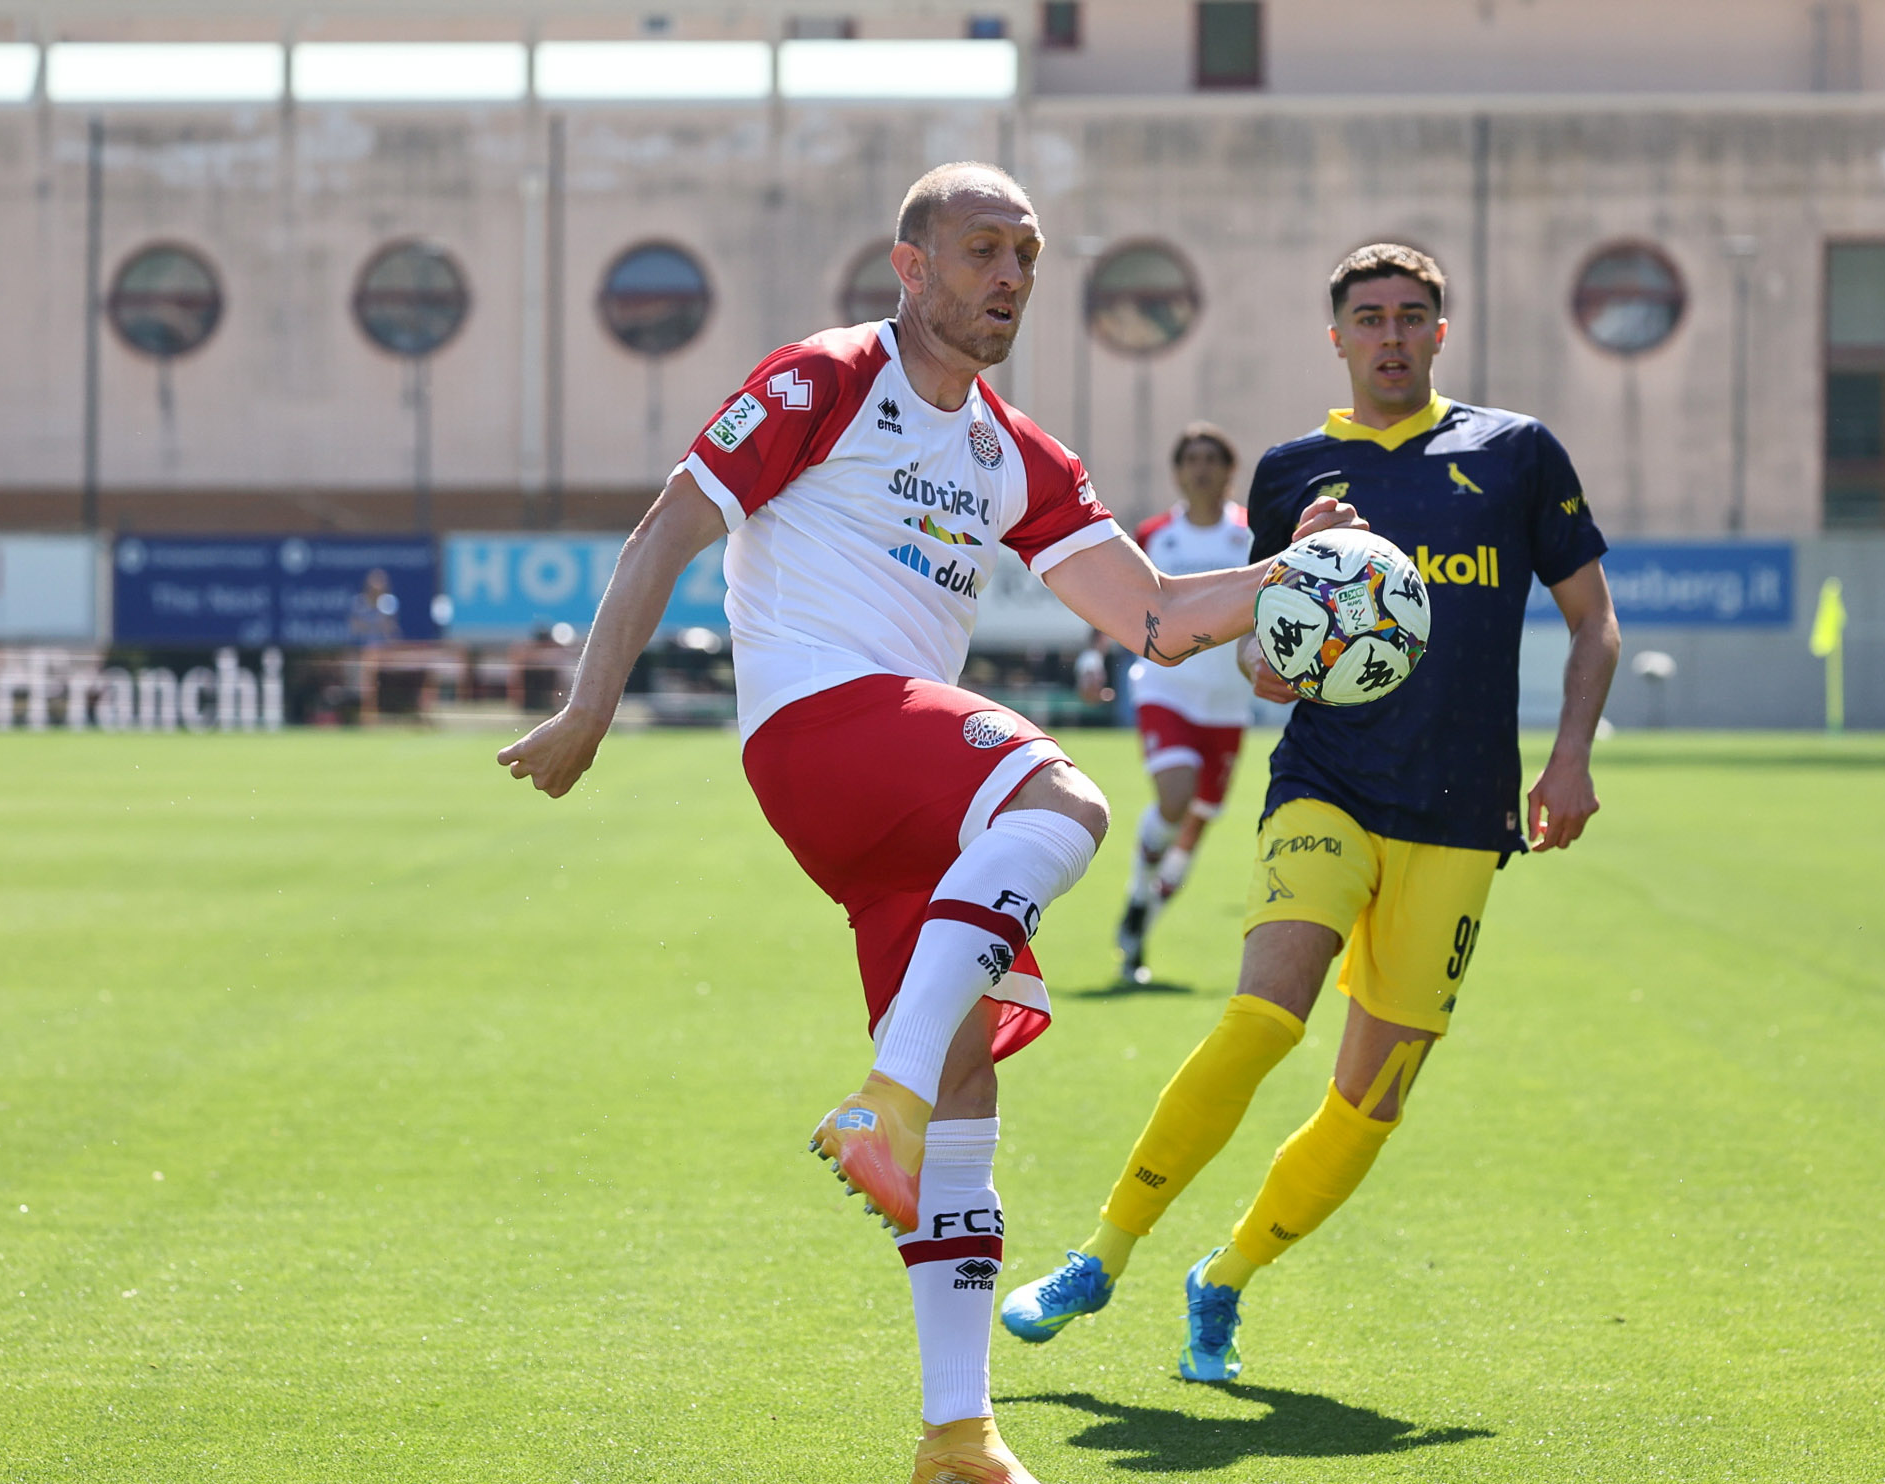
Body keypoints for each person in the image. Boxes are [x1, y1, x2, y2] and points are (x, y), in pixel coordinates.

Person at [495, 162, 1360, 1484]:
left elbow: (1155, 616)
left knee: (969, 1094)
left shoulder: (1013, 452)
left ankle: (959, 1433)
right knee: (1064, 799)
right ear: (910, 266)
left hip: (903, 805)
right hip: (822, 728)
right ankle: (877, 1105)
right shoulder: (828, 378)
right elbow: (667, 529)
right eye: (980, 250)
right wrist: (586, 711)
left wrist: (1293, 572)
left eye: (1026, 254)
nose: (1009, 276)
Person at [1002, 242, 1621, 1385]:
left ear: (1441, 330)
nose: (1391, 334)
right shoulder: (1295, 475)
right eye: (1369, 317)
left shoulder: (1516, 453)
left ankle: (1225, 1276)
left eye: (1411, 314)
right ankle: (1101, 1254)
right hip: (1327, 782)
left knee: (1371, 1099)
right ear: (1336, 337)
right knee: (1262, 1018)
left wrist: (1570, 757)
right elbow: (1265, 666)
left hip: (1461, 809)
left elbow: (1595, 620)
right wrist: (1296, 574)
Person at [1107, 424, 1260, 984]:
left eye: (1211, 459)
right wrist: (1094, 653)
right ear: (1177, 471)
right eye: (1191, 459)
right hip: (1166, 687)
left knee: (1194, 830)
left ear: (1229, 470)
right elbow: (1120, 597)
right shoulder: (1156, 535)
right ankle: (1136, 893)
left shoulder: (1251, 535)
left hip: (1228, 703)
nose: (1201, 469)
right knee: (1175, 798)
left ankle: (1138, 924)